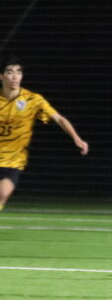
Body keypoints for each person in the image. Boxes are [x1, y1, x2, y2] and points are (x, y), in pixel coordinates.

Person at [0, 58, 89, 210]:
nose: (15, 76)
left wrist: (77, 138)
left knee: (2, 193)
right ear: (1, 76)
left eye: (18, 72)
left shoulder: (33, 100)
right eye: (10, 72)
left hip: (13, 160)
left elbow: (58, 118)